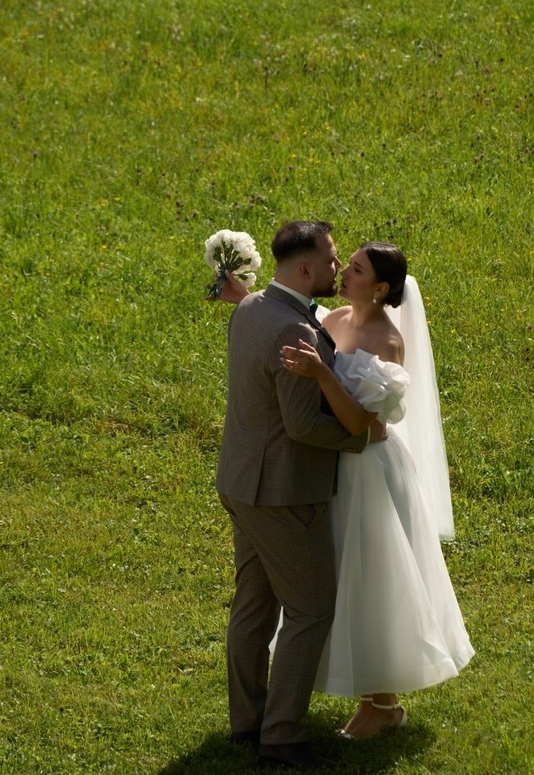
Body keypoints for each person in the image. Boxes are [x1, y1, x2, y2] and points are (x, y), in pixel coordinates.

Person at [278, 242, 474, 739]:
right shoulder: (338, 315)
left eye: (357, 269)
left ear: (381, 289)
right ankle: (365, 690)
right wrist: (242, 296)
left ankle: (383, 703)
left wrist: (321, 373)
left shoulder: (387, 343)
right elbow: (301, 320)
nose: (344, 271)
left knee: (373, 575)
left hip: (367, 471)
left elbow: (361, 422)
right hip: (334, 466)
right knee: (337, 570)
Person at [215, 220, 385, 771]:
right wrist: (359, 436)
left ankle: (247, 721)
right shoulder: (297, 333)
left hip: (241, 480)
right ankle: (281, 735)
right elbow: (303, 426)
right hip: (283, 493)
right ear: (306, 268)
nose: (338, 268)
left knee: (253, 606)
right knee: (310, 609)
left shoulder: (252, 308)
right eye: (333, 260)